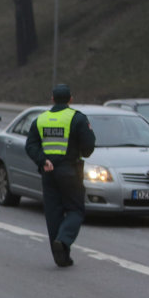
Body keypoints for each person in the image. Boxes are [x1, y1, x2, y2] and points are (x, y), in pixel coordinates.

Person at [25, 84, 96, 267]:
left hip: (48, 172)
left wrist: (43, 160)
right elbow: (88, 147)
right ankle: (63, 240)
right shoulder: (77, 118)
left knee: (53, 213)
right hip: (70, 171)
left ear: (52, 99)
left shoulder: (41, 119)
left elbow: (30, 146)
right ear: (71, 99)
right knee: (75, 210)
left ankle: (61, 257)